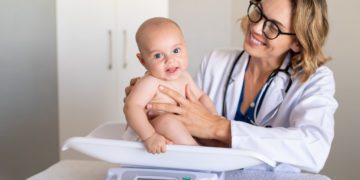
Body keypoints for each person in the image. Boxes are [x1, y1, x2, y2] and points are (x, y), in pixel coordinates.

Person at [125, 0, 337, 173]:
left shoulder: (315, 80)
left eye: (274, 27)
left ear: (298, 42)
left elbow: (314, 149)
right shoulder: (217, 61)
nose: (255, 27)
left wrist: (218, 127)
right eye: (258, 13)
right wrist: (149, 107)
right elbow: (177, 126)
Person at [123, 17, 217, 154]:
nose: (170, 60)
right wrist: (150, 136)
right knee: (167, 121)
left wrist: (213, 117)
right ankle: (197, 152)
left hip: (178, 133)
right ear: (142, 60)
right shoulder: (150, 82)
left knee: (196, 123)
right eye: (158, 56)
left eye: (176, 51)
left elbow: (201, 96)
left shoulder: (185, 77)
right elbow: (131, 107)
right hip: (147, 134)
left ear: (185, 46)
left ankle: (207, 146)